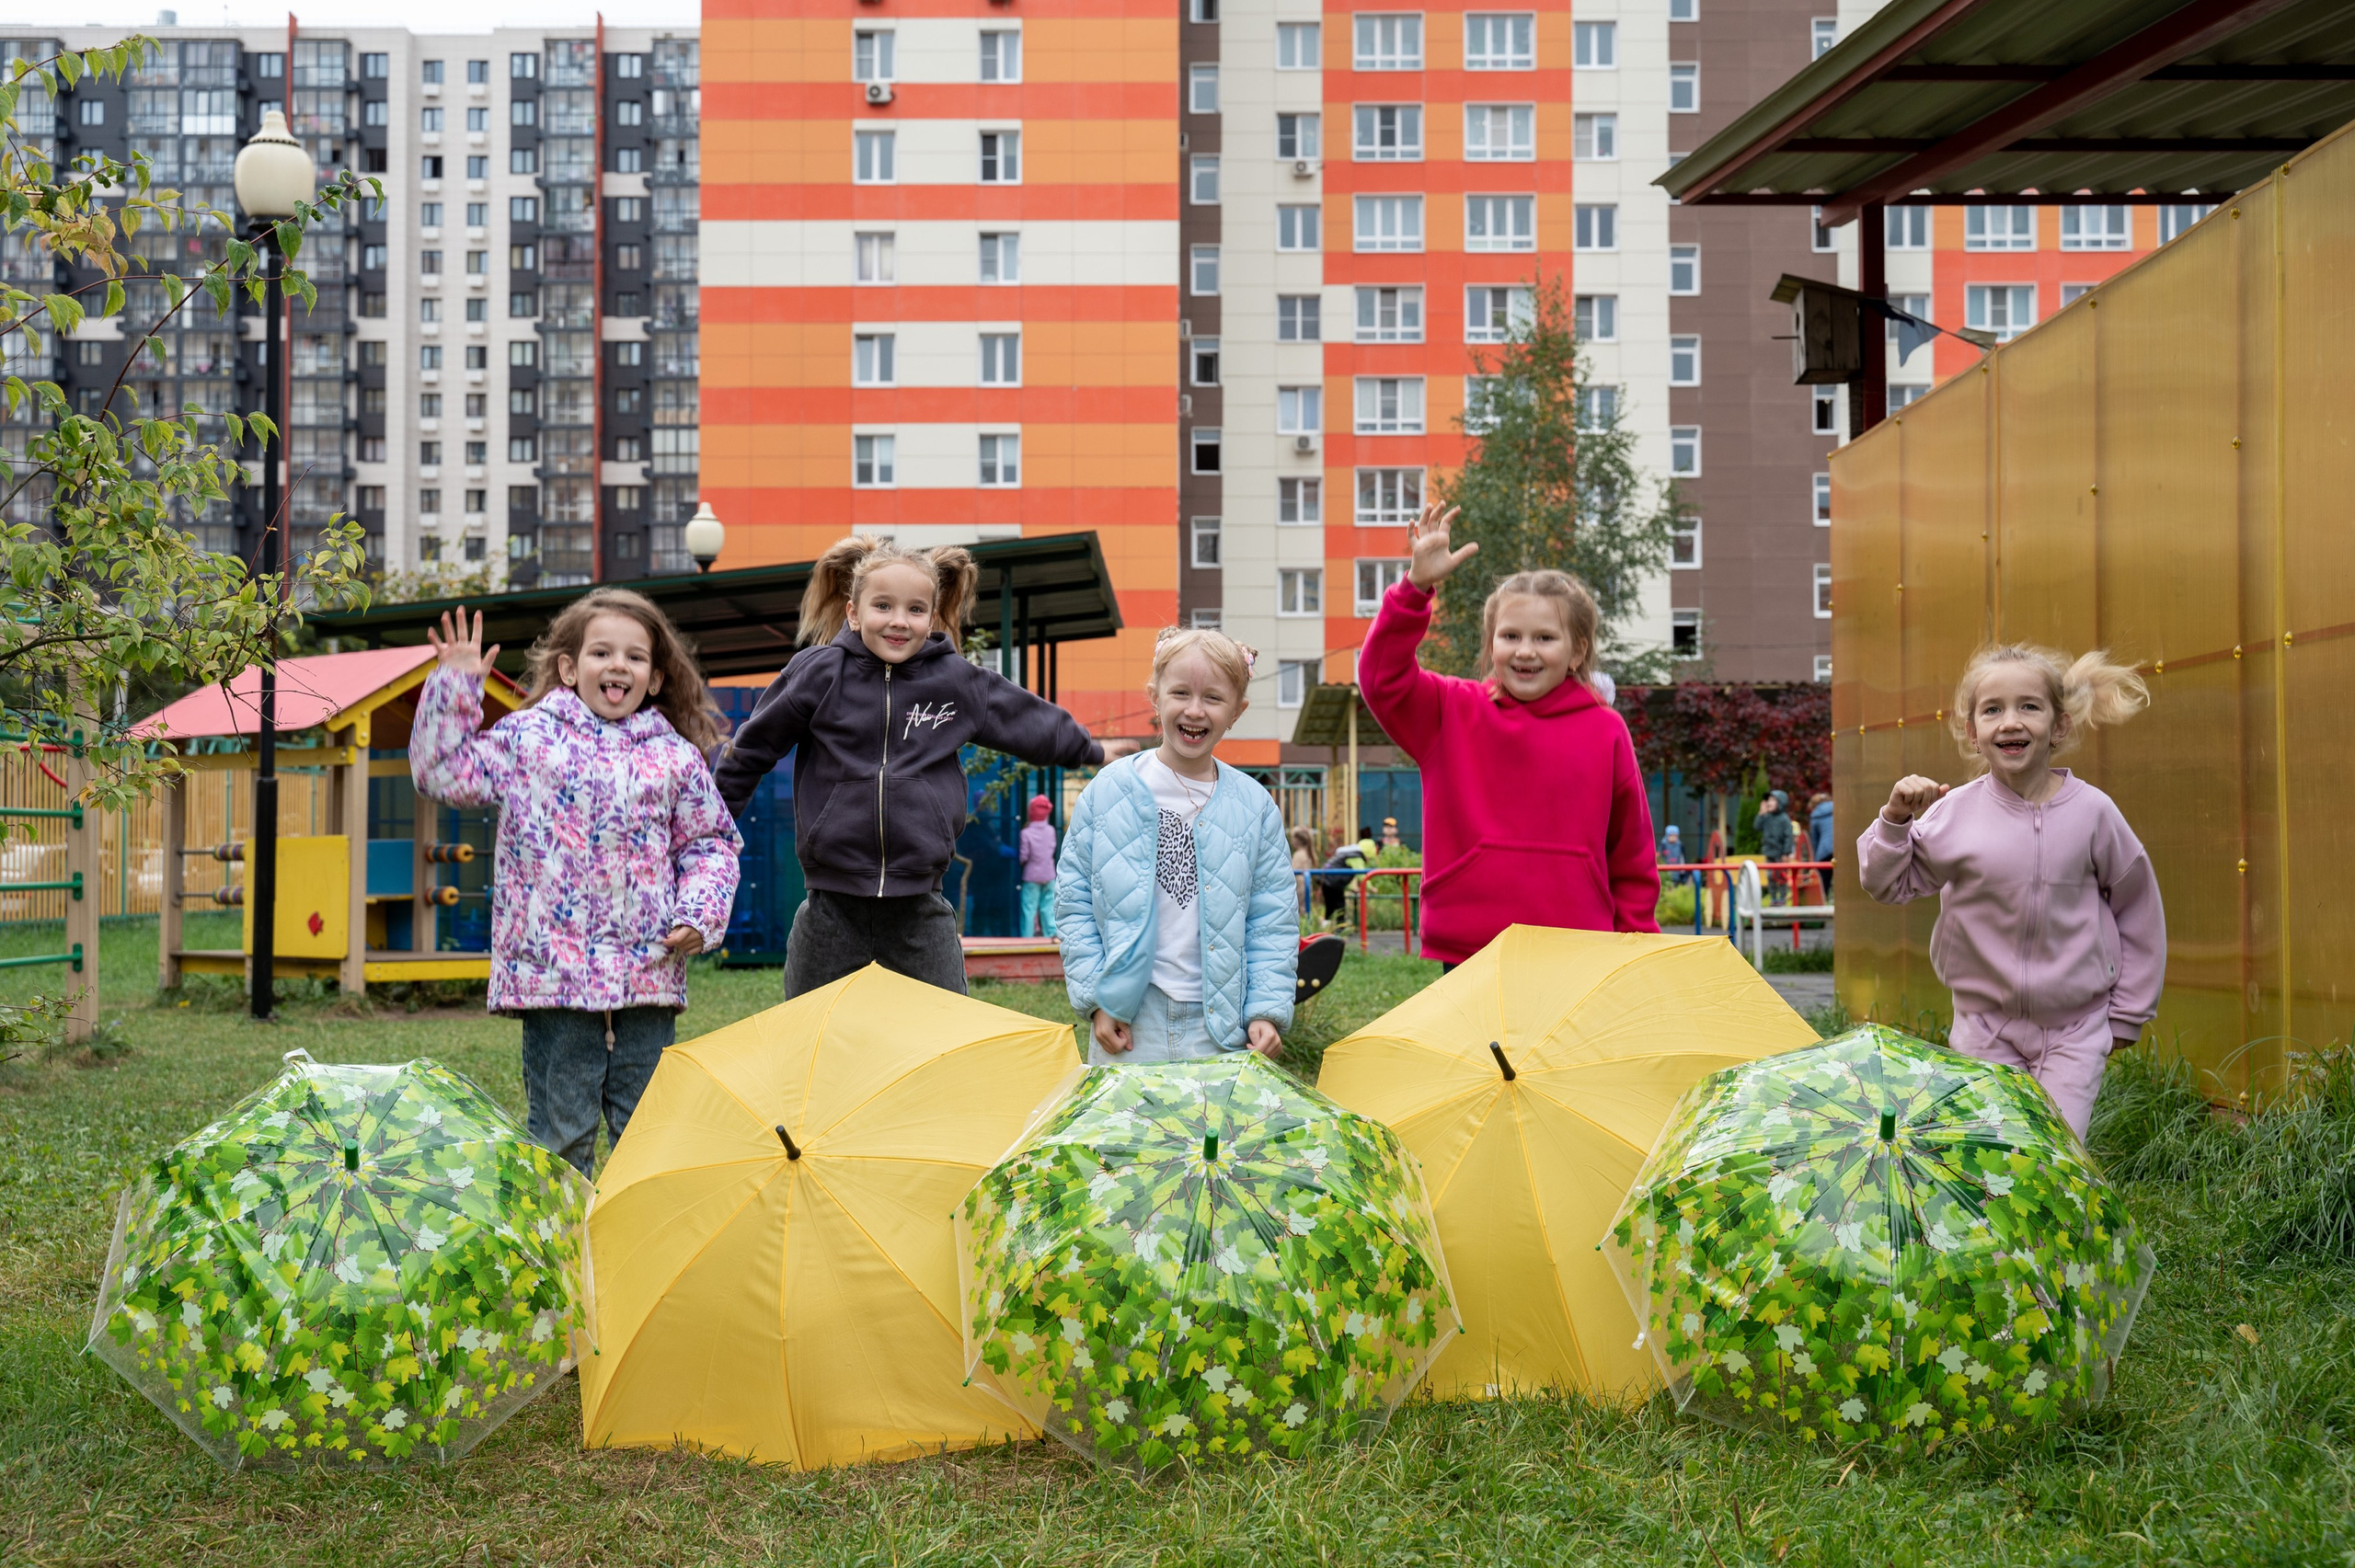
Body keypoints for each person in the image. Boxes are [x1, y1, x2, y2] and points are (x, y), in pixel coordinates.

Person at [713, 535, 1132, 999]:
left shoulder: (956, 683)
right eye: (883, 606)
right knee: (810, 1038)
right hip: (830, 908)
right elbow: (752, 750)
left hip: (921, 910)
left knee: (945, 1039)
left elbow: (1024, 720)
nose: (899, 621)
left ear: (932, 618)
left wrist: (1090, 749)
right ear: (853, 613)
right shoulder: (819, 673)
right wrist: (708, 829)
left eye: (915, 609)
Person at [411, 595, 741, 1177]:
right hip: (552, 975)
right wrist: (454, 687)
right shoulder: (527, 740)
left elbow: (710, 843)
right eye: (601, 652)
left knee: (650, 1134)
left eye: (635, 656)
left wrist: (699, 910)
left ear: (655, 677)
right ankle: (564, 1259)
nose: (618, 665)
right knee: (561, 1136)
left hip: (648, 973)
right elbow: (442, 772)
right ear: (570, 668)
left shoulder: (675, 758)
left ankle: (642, 1255)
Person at [1857, 643, 2164, 1138]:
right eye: (1993, 710)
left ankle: (2065, 1216)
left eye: (2029, 706)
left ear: (2058, 726)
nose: (2011, 721)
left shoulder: (2094, 813)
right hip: (1984, 1027)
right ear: (1972, 732)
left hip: (2076, 1027)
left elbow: (2139, 909)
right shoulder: (1954, 812)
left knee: (2055, 1153)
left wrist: (2127, 1014)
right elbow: (1887, 884)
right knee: (1993, 1155)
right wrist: (1894, 820)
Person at [1359, 503, 1660, 968]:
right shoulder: (1450, 710)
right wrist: (1415, 589)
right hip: (1470, 946)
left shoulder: (1606, 729)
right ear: (1491, 643)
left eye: (1544, 638)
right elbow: (1382, 679)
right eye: (1510, 636)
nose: (1525, 651)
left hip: (1577, 950)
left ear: (1577, 650)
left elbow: (1631, 853)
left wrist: (1637, 944)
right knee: (1476, 1047)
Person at [1057, 627, 1297, 1065]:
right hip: (1127, 1020)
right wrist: (1096, 997)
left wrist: (1265, 1009)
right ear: (1154, 696)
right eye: (1180, 693)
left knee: (1212, 1135)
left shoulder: (1255, 806)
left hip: (1223, 1025)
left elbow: (1272, 918)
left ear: (1237, 711)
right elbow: (1073, 903)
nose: (1194, 710)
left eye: (1213, 698)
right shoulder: (1110, 790)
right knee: (1125, 1133)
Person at [1018, 794, 1059, 938]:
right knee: (1048, 908)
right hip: (1049, 875)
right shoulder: (1051, 830)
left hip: (1031, 876)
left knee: (1029, 909)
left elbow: (1024, 856)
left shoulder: (1025, 832)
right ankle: (1051, 936)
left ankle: (1027, 939)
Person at [1317, 829, 1374, 924]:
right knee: (1340, 904)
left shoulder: (1348, 854)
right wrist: (1371, 888)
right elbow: (1361, 874)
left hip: (1327, 879)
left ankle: (1328, 926)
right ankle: (1340, 926)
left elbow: (1341, 876)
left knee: (1330, 905)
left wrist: (1350, 888)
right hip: (1332, 881)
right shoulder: (1356, 856)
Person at [1756, 790, 1796, 904]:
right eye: (1768, 800)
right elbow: (1756, 826)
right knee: (1770, 876)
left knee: (1781, 876)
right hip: (1769, 852)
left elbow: (1788, 837)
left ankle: (1782, 898)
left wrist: (1786, 853)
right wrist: (1761, 814)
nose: (1769, 803)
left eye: (1773, 800)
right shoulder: (1766, 817)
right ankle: (1773, 898)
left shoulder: (1784, 819)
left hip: (1780, 853)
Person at [1289, 827, 1317, 912]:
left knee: (1300, 910)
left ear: (1297, 840)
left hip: (1299, 885)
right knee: (1305, 909)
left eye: (1292, 838)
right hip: (1306, 884)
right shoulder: (1306, 853)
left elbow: (1293, 870)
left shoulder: (1298, 854)